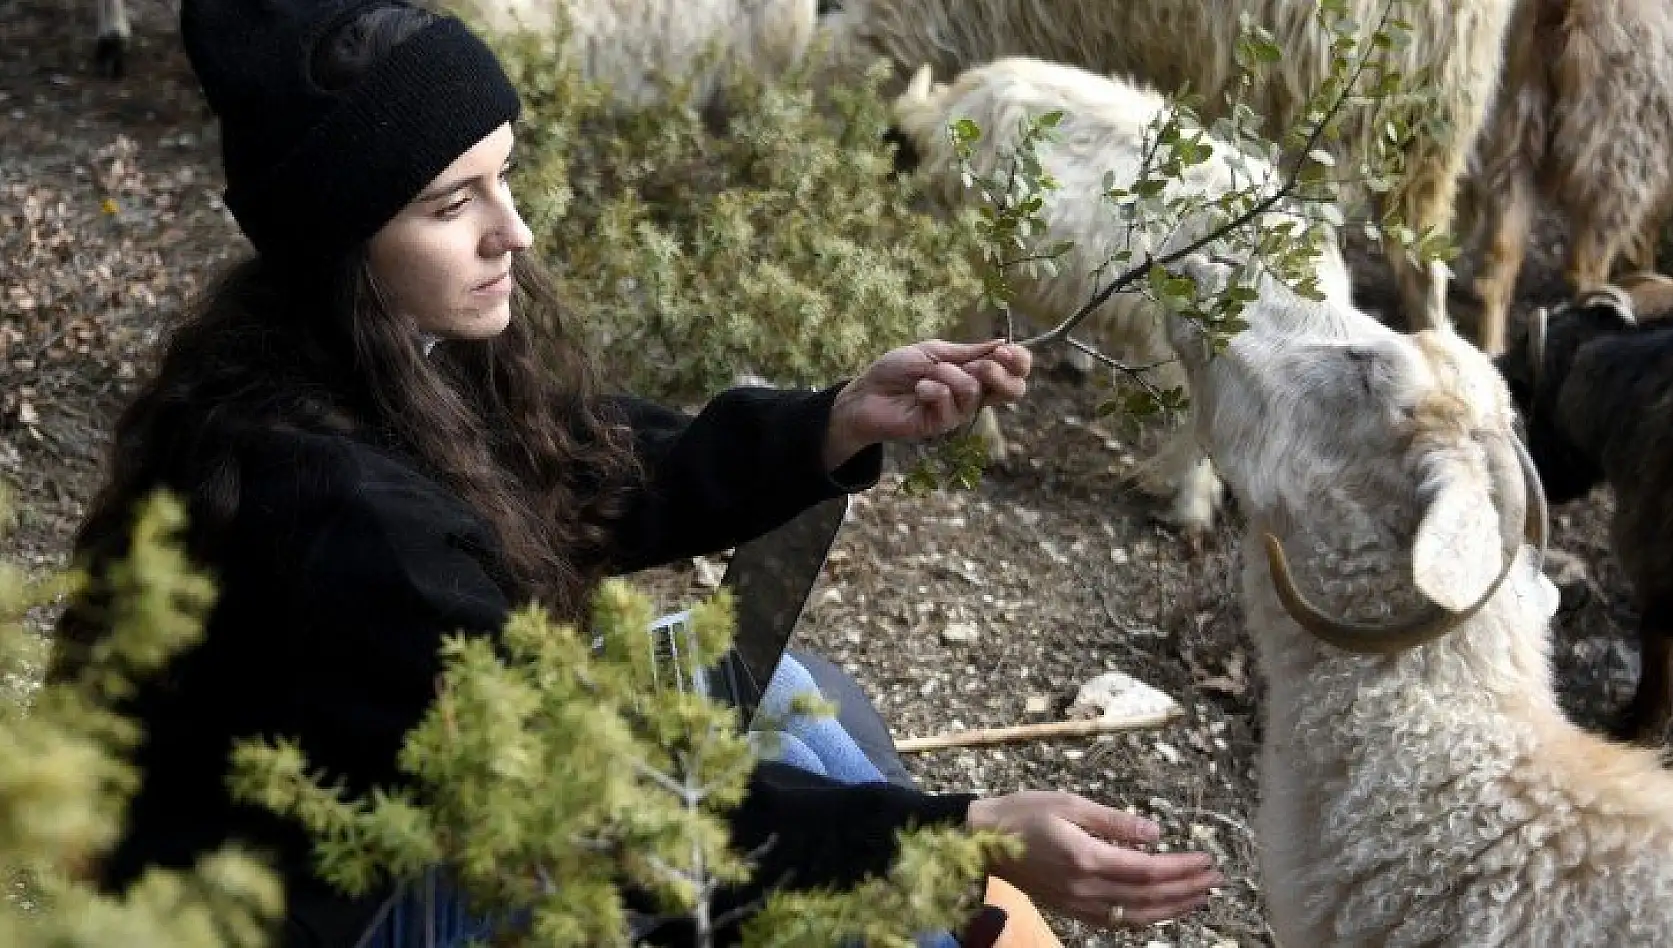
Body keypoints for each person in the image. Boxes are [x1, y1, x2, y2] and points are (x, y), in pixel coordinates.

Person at [49, 1, 1225, 945]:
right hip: (325, 901)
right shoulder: (335, 508)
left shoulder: (382, 349)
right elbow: (607, 802)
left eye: (503, 177)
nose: (512, 232)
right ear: (336, 238)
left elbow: (581, 467)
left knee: (789, 700)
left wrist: (831, 423)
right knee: (795, 802)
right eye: (453, 203)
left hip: (457, 773)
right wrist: (959, 833)